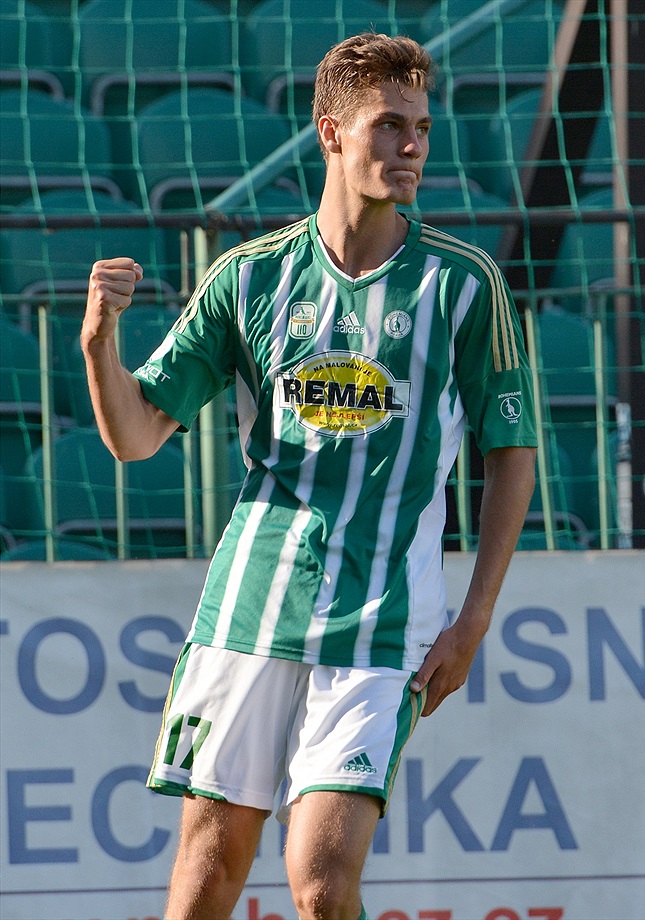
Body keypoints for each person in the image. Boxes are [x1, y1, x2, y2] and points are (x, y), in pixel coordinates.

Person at [81, 32, 537, 920]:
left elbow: (510, 455)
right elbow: (135, 438)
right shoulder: (249, 278)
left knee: (323, 883)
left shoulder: (464, 285)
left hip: (384, 622)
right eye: (389, 126)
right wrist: (101, 346)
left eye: (423, 129)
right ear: (331, 133)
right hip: (250, 611)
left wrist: (473, 618)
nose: (412, 147)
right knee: (208, 873)